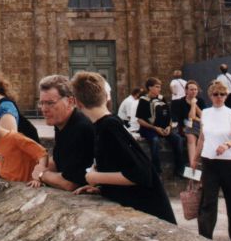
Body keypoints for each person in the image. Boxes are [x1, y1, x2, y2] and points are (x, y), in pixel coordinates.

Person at [70, 71, 177, 224]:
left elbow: (141, 173)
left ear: (77, 102)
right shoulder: (107, 124)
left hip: (152, 215)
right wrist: (104, 188)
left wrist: (94, 177)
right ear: (106, 97)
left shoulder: (109, 126)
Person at [190, 80, 231, 241]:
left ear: (226, 95)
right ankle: (205, 236)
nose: (219, 97)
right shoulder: (205, 113)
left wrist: (227, 144)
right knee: (208, 200)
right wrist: (195, 158)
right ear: (210, 96)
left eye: (222, 94)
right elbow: (202, 137)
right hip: (210, 162)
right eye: (216, 94)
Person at [30, 75, 95, 191]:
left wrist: (41, 174)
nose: (44, 109)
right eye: (41, 103)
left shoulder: (81, 129)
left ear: (70, 101)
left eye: (50, 103)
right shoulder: (62, 123)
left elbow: (70, 183)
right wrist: (41, 167)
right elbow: (58, 159)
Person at [136, 77, 185, 178]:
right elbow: (140, 120)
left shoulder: (161, 98)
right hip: (149, 129)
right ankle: (157, 170)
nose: (159, 89)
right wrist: (154, 128)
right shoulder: (143, 100)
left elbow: (169, 116)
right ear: (150, 88)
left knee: (178, 139)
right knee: (155, 141)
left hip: (164, 128)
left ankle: (179, 169)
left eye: (160, 87)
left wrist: (169, 127)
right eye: (157, 87)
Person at [171, 80, 206, 170]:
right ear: (186, 90)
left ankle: (199, 167)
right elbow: (191, 117)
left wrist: (195, 104)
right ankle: (192, 165)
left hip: (200, 126)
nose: (194, 91)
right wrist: (193, 105)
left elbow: (204, 117)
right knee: (190, 138)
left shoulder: (201, 101)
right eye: (191, 89)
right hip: (185, 127)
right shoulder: (179, 102)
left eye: (195, 89)